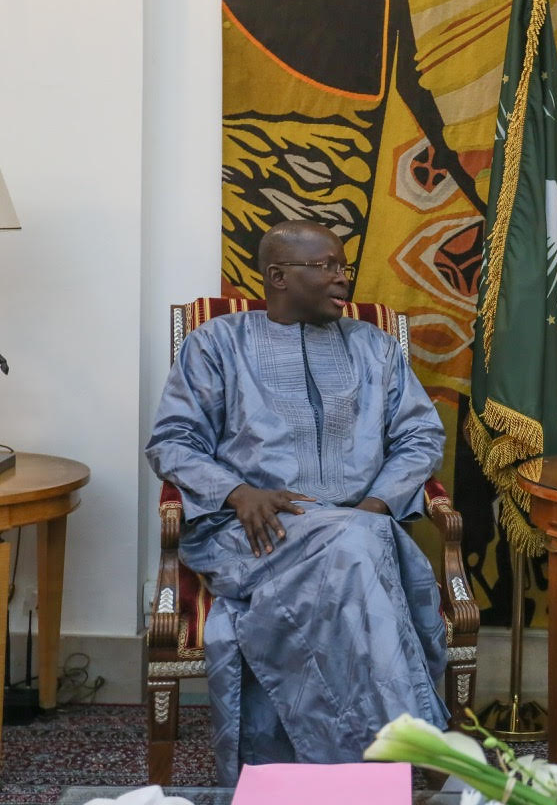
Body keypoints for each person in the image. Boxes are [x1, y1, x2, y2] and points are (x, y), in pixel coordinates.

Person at [146, 220, 449, 784]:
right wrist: (237, 493)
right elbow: (172, 441)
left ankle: (345, 777)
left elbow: (420, 436)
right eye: (328, 266)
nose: (343, 278)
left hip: (362, 526)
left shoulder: (375, 347)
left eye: (344, 266)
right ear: (279, 276)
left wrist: (378, 505)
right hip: (256, 533)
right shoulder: (217, 343)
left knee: (358, 543)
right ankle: (401, 767)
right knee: (361, 550)